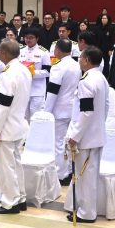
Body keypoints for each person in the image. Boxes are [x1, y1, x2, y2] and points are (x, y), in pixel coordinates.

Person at [64, 47, 109, 224]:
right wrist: (99, 126)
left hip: (86, 137)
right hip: (95, 133)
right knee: (88, 175)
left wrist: (75, 135)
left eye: (81, 58)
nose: (79, 60)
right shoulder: (101, 78)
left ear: (87, 60)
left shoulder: (87, 81)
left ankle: (87, 212)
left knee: (85, 177)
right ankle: (85, 208)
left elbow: (86, 112)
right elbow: (105, 107)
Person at [0, 40, 32, 215]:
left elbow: (2, 106)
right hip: (19, 124)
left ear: (5, 53)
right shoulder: (24, 70)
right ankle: (20, 198)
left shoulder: (7, 74)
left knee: (6, 167)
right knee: (16, 164)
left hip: (6, 128)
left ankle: (10, 202)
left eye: (0, 51)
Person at [45, 39, 79, 186]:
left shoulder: (58, 67)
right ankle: (70, 169)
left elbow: (53, 91)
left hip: (59, 109)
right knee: (68, 142)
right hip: (72, 108)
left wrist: (46, 111)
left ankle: (61, 173)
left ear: (57, 50)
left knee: (58, 143)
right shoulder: (75, 64)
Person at [19, 28, 51, 119]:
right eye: (26, 37)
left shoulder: (43, 52)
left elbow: (47, 72)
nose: (28, 40)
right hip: (23, 89)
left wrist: (32, 73)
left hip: (37, 90)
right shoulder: (20, 51)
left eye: (31, 38)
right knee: (23, 117)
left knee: (35, 117)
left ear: (37, 39)